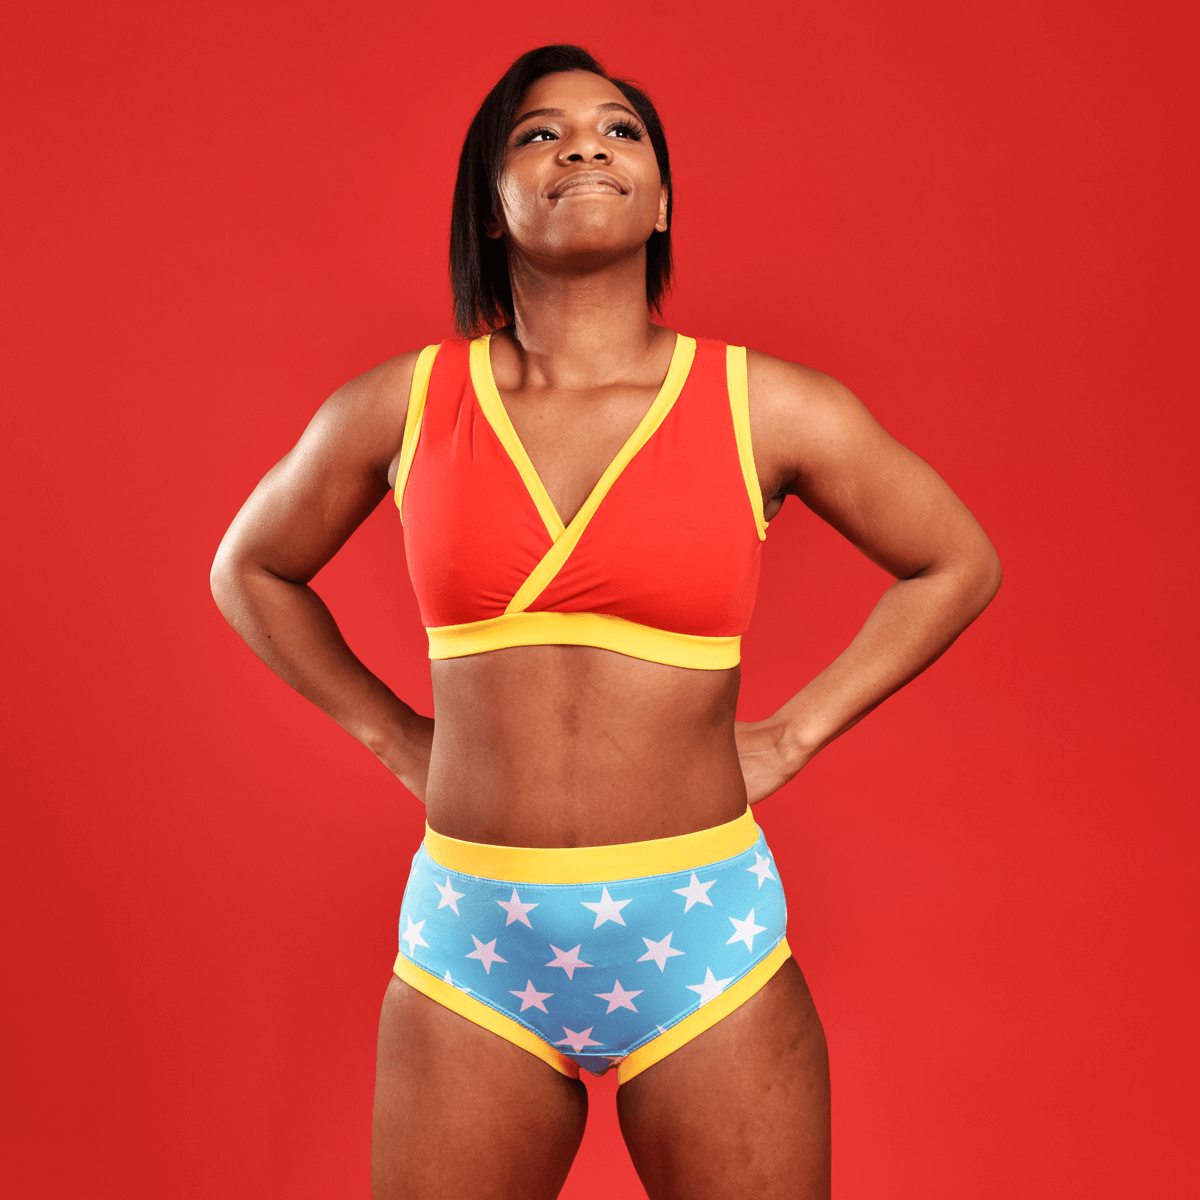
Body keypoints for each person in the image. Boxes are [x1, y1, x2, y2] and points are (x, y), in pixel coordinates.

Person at [210, 43, 1001, 1200]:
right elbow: (250, 570)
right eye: (539, 135)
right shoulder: (405, 405)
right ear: (490, 206)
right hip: (475, 938)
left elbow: (955, 561)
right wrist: (395, 736)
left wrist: (792, 736)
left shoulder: (765, 404)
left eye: (619, 130)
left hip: (703, 933)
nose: (584, 146)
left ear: (663, 201)